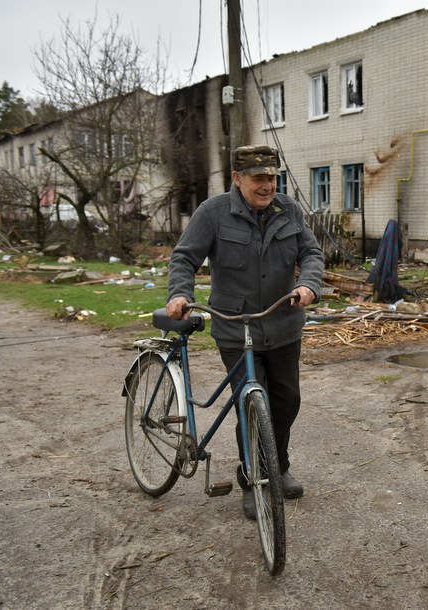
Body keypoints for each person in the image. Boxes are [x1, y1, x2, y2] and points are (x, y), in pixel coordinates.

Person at [166, 144, 324, 519]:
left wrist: (310, 285)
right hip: (236, 328)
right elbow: (184, 257)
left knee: (286, 401)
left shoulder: (289, 210)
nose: (267, 185)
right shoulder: (214, 213)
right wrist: (179, 294)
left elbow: (311, 253)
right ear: (238, 178)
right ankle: (253, 478)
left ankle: (278, 465)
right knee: (253, 406)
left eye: (272, 177)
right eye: (259, 178)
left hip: (283, 322)